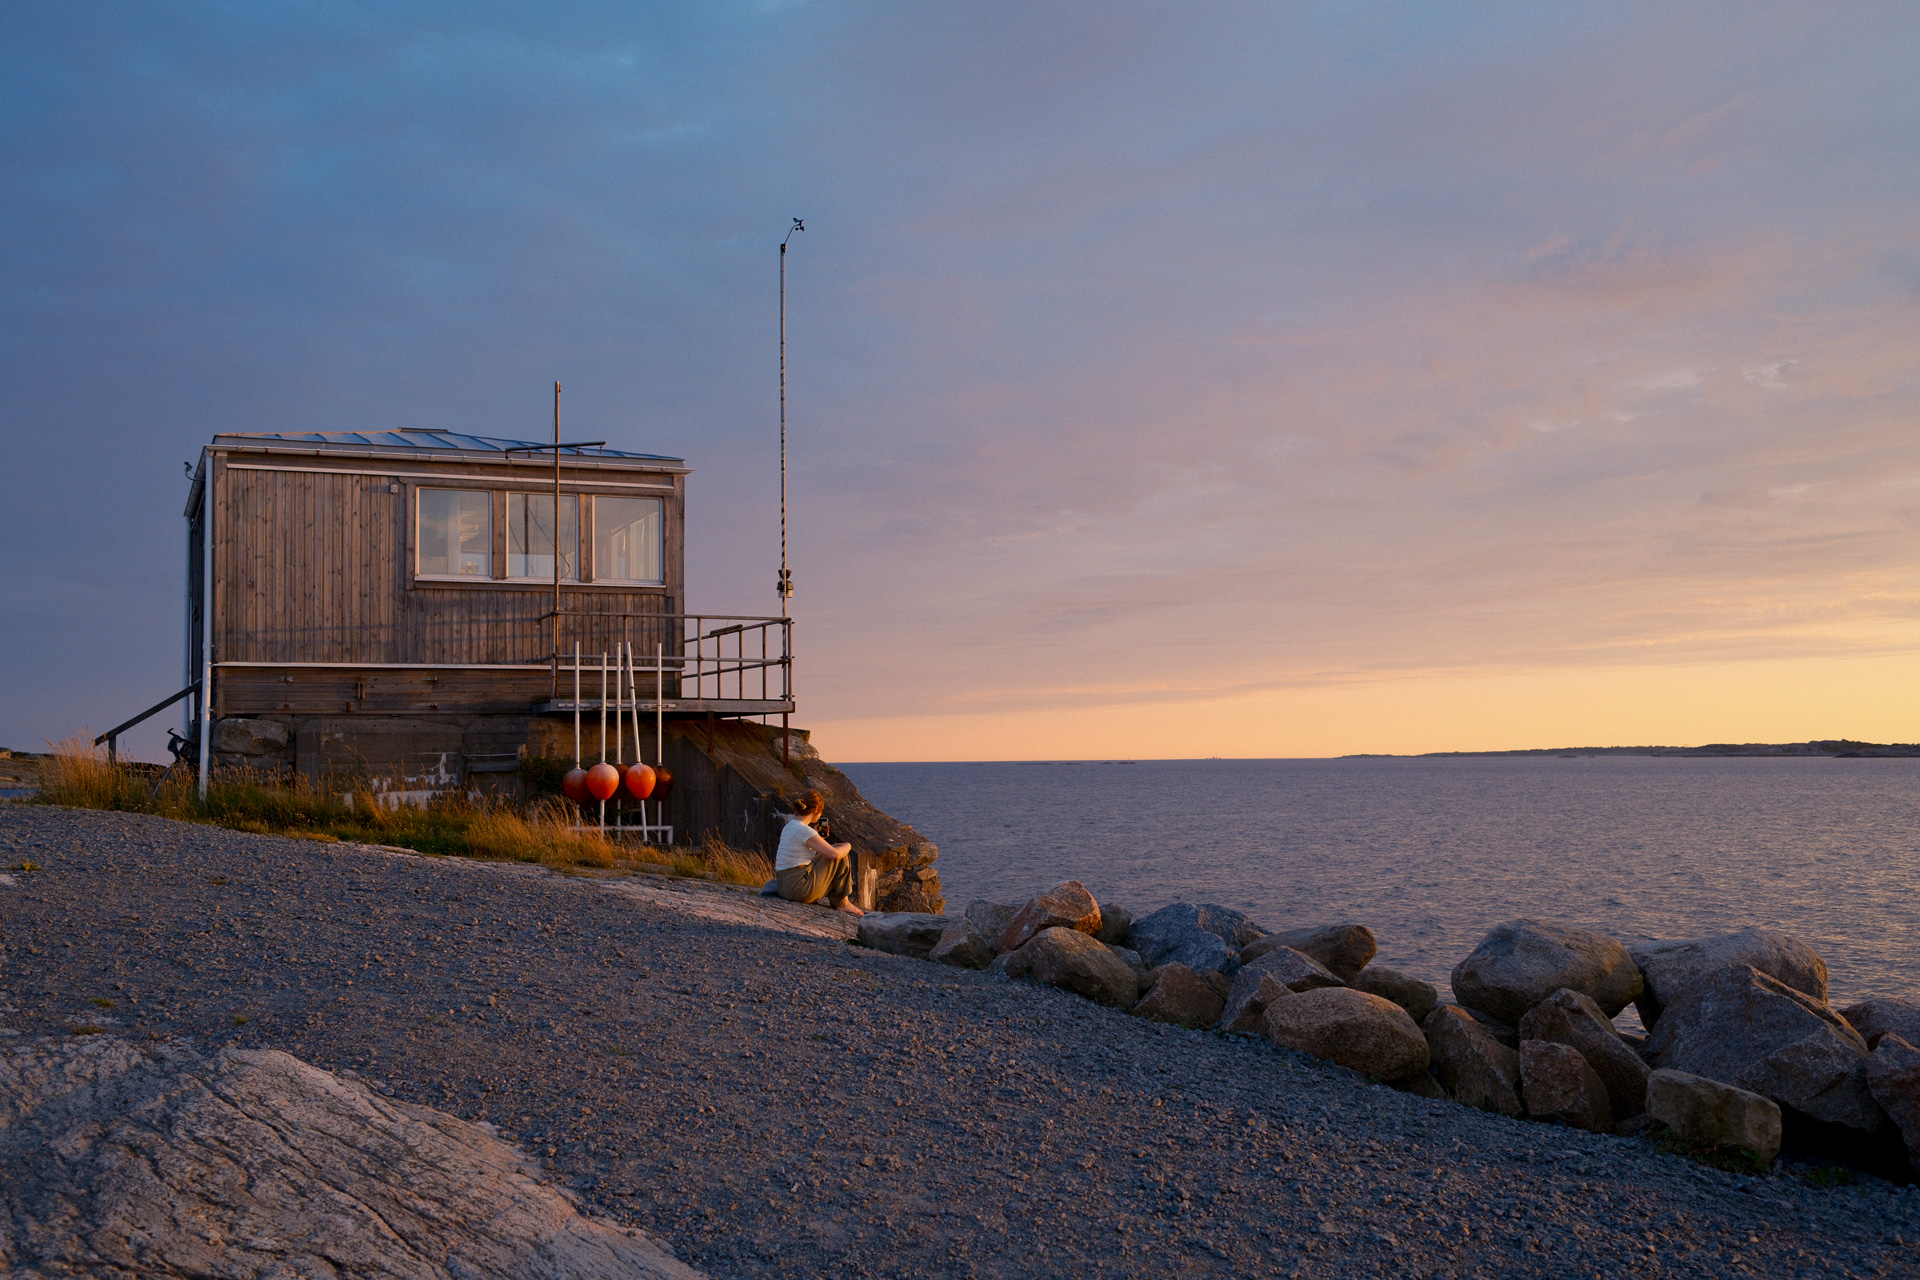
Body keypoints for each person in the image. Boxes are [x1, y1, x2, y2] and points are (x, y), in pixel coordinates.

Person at [774, 790, 862, 915]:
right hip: (798, 888)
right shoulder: (804, 830)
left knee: (831, 850)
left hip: (784, 886)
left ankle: (841, 900)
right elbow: (834, 855)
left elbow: (805, 856)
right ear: (816, 810)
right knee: (840, 854)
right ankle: (842, 903)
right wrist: (848, 846)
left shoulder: (790, 826)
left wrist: (818, 838)